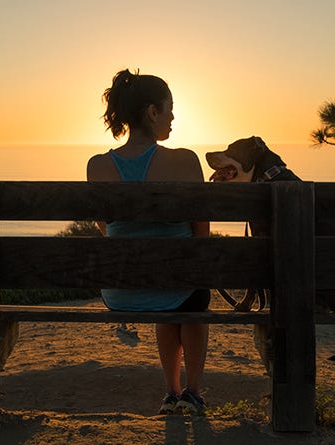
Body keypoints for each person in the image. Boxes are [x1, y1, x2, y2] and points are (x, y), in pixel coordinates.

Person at [86, 69, 211, 415]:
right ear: (152, 112)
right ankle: (193, 392)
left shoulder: (97, 166)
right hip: (178, 286)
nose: (173, 116)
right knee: (189, 289)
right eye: (169, 109)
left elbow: (106, 228)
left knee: (166, 283)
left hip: (121, 290)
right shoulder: (185, 160)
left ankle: (171, 392)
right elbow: (202, 234)